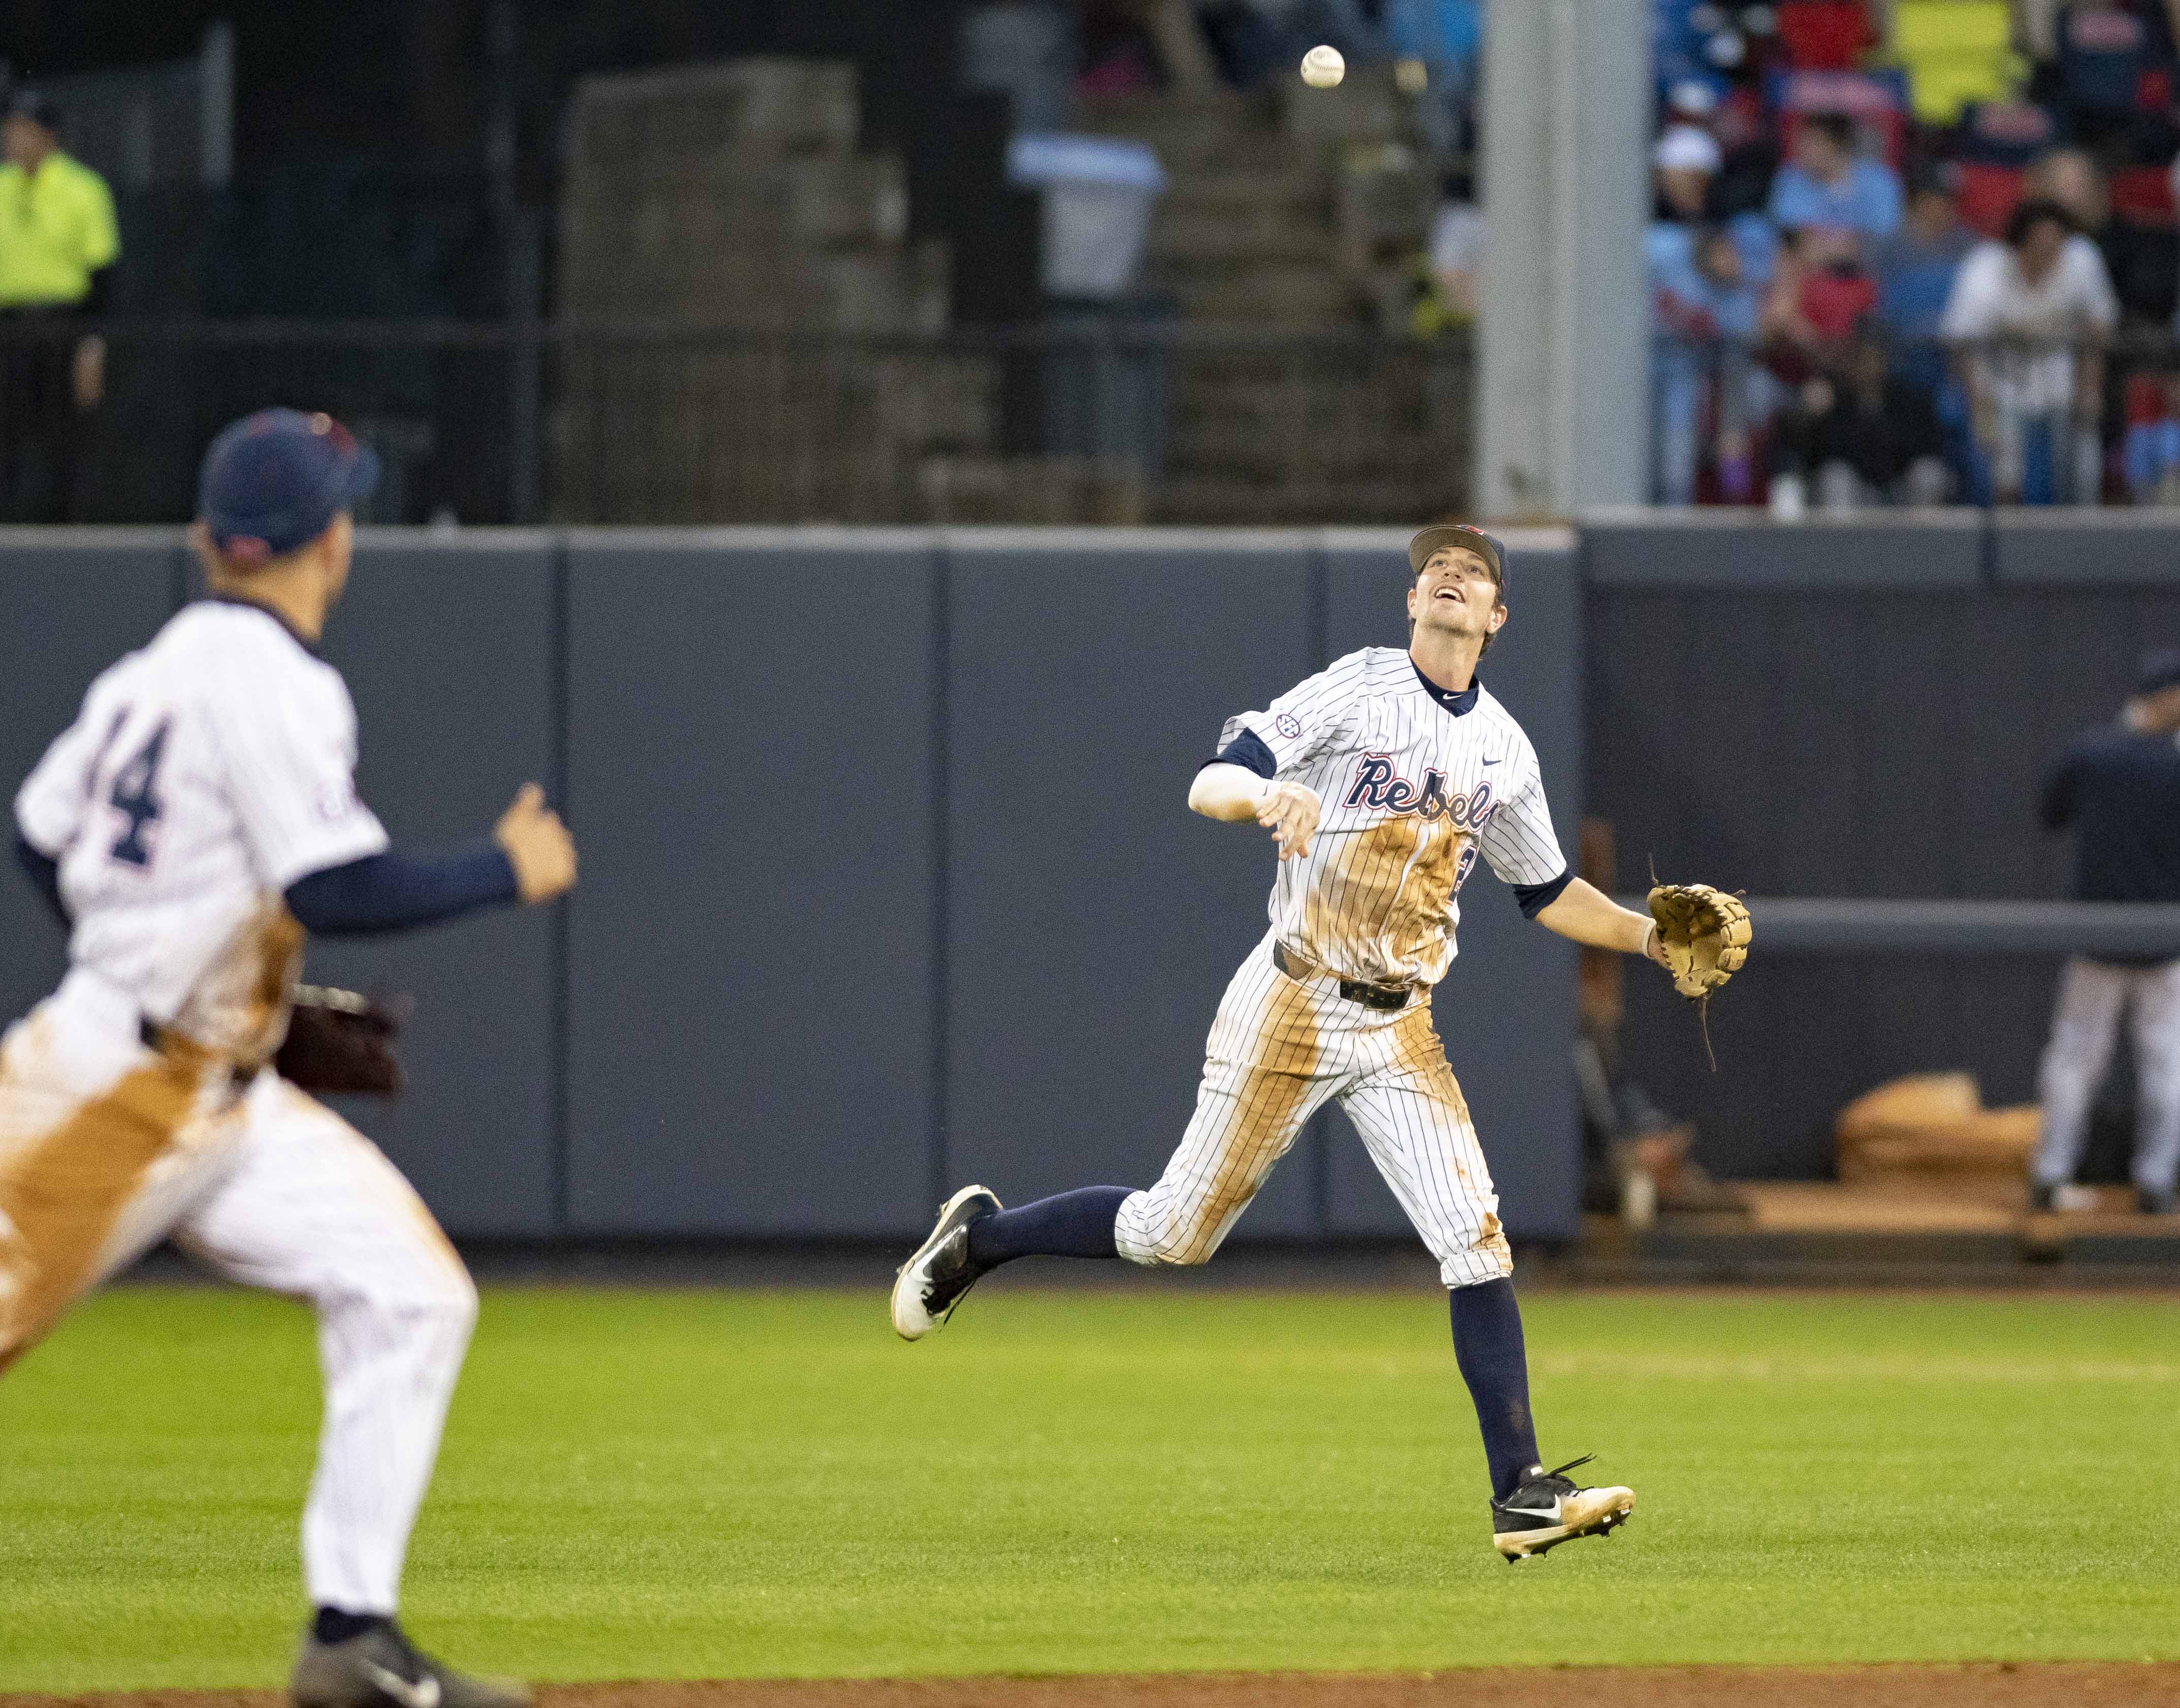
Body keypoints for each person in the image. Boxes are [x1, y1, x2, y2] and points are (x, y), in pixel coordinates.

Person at [891, 525, 1714, 1563]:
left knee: (1476, 1240)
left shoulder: (1503, 749)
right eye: (1435, 567)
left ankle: (1520, 1493)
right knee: (1172, 1232)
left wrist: (1644, 935)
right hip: (1292, 996)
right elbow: (1211, 780)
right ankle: (983, 1237)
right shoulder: (1358, 688)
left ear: (1496, 616)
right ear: (1411, 600)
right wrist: (1264, 794)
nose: (1450, 574)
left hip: (1399, 1021)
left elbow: (1543, 889)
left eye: (1473, 572)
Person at [2, 410, 577, 1703]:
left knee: (410, 1294)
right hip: (109, 1086)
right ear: (331, 540)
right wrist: (505, 867)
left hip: (218, 1087)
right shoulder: (278, 681)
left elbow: (39, 833)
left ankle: (351, 1640)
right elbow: (339, 883)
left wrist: (196, 971)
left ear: (212, 537)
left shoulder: (151, 669)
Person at [2029, 650, 2180, 1217]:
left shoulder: (2090, 753)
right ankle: (2155, 1182)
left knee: (2076, 1059)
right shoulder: (2167, 761)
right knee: (2164, 1063)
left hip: (2100, 935)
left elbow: (2049, 813)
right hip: (2159, 938)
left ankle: (2052, 1176)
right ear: (2166, 696)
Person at [1940, 197, 2118, 502]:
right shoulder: (1986, 267)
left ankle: (2083, 522)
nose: (2050, 253)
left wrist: (2089, 391)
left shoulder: (2081, 258)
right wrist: (1981, 408)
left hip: (2063, 381)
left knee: (2084, 463)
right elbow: (1962, 342)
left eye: (2056, 244)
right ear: (2019, 245)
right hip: (2002, 385)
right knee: (2003, 470)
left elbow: (2099, 327)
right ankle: (2007, 525)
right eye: (2040, 245)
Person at [0, 88, 118, 522]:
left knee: (65, 433)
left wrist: (93, 343)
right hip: (9, 326)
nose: (14, 139)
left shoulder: (83, 188)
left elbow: (103, 274)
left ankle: (69, 529)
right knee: (7, 430)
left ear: (48, 136)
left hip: (64, 326)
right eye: (10, 129)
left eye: (24, 129)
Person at [1765, 110, 1903, 246]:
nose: (1803, 152)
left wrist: (1842, 246)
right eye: (1802, 144)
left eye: (1814, 144)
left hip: (1868, 257)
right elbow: (1788, 231)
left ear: (1838, 146)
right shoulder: (1790, 177)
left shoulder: (1879, 180)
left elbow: (1885, 233)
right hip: (1807, 257)